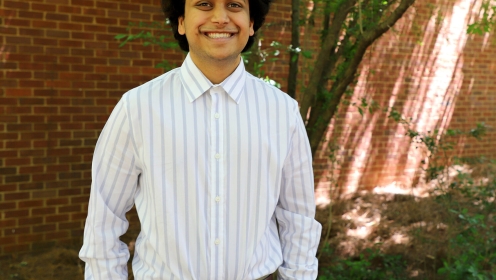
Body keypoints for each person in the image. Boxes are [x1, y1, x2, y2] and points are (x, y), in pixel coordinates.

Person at [78, 0, 322, 278]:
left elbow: (298, 222)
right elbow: (103, 224)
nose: (220, 18)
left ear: (252, 22)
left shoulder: (283, 112)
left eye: (234, 5)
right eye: (204, 4)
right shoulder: (137, 108)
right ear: (181, 21)